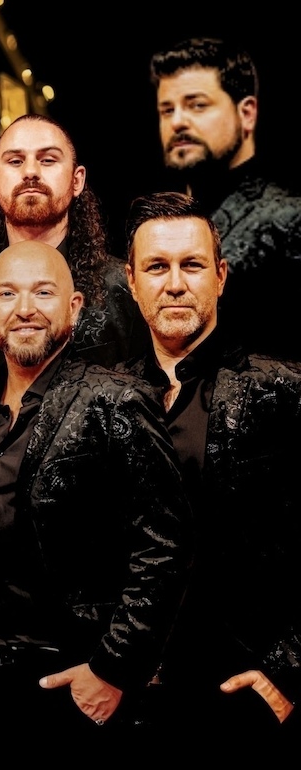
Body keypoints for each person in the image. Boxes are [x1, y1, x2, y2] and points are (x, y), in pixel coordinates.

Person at [0, 240, 192, 765]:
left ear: (74, 307)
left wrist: (113, 670)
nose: (25, 309)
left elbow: (165, 546)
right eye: (8, 294)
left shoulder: (116, 400)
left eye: (43, 293)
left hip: (70, 684)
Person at [0, 113, 148, 583]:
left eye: (48, 159)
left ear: (77, 180)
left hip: (92, 557)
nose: (32, 172)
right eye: (16, 161)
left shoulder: (123, 289)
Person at [120, 190, 301, 752]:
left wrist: (287, 674)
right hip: (119, 705)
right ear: (131, 281)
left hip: (239, 705)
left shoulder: (283, 390)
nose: (175, 283)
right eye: (157, 266)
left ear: (220, 276)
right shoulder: (101, 397)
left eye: (192, 265)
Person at [149, 36, 301, 360]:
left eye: (197, 105)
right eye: (167, 109)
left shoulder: (290, 220)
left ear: (247, 113)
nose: (177, 121)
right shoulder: (157, 224)